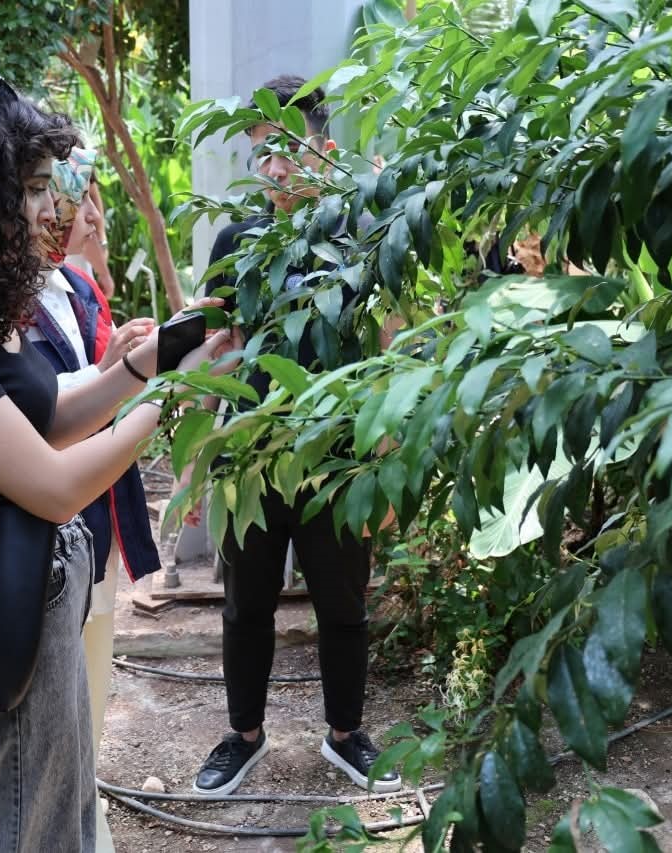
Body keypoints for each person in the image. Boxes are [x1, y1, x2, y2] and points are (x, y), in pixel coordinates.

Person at [0, 70, 234, 852]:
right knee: (22, 823)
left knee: (56, 816)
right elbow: (56, 485)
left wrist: (149, 364)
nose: (47, 208)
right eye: (29, 188)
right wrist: (179, 396)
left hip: (34, 592)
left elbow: (48, 418)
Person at [190, 74, 401, 797]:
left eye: (286, 149)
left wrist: (385, 458)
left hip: (337, 460)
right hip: (250, 458)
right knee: (245, 606)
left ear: (325, 151)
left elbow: (387, 347)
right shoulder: (236, 240)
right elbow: (220, 347)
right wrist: (200, 454)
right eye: (261, 154)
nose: (274, 167)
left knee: (343, 605)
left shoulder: (361, 236)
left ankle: (346, 735)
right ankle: (243, 736)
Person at [27, 146, 160, 853]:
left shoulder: (72, 289)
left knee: (90, 690)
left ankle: (87, 820)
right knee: (48, 714)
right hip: (47, 531)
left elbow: (84, 392)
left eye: (73, 203)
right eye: (58, 200)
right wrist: (155, 392)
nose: (75, 218)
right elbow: (41, 423)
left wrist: (120, 368)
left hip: (94, 525)